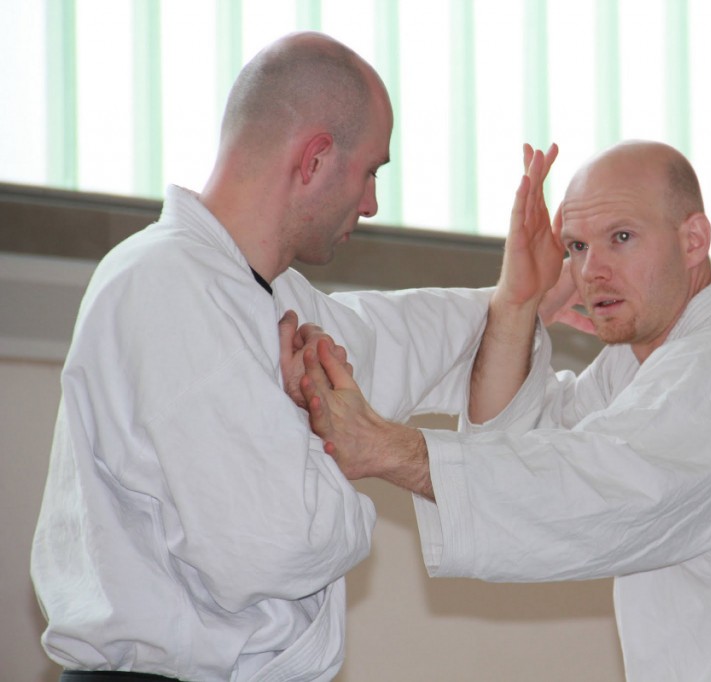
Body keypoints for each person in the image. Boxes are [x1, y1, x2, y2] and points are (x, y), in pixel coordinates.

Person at [298, 141, 711, 681]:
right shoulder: (645, 360)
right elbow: (521, 438)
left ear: (694, 240)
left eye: (622, 238)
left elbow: (590, 489)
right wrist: (516, 302)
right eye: (578, 247)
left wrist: (387, 447)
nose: (592, 271)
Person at [30, 32, 496, 681]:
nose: (371, 203)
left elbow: (394, 337)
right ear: (313, 159)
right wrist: (321, 434)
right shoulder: (168, 284)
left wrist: (522, 296)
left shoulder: (265, 293)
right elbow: (272, 548)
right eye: (370, 172)